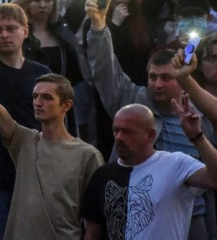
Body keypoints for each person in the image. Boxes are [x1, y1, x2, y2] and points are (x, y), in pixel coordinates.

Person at [0, 26, 102, 239]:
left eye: (47, 98)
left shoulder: (87, 155)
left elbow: (95, 222)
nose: (38, 103)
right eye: (35, 96)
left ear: (66, 105)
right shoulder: (24, 141)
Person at [85, 0, 217, 237]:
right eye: (152, 77)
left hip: (195, 216)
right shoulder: (134, 101)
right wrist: (98, 26)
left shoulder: (199, 117)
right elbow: (104, 70)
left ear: (181, 80)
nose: (157, 84)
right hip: (143, 212)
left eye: (166, 78)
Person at [82, 103, 217, 240]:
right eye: (116, 130)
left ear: (150, 135)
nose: (119, 138)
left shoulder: (175, 165)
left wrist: (198, 137)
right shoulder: (102, 175)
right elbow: (92, 233)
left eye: (127, 131)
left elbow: (214, 178)